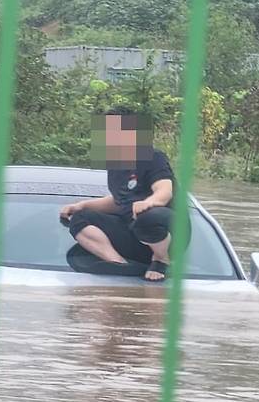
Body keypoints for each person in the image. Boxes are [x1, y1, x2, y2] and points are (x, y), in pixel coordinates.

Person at [60, 107, 177, 282]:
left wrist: (149, 203)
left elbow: (165, 191)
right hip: (134, 235)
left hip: (165, 232)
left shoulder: (152, 156)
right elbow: (119, 202)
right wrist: (82, 205)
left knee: (147, 217)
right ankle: (120, 264)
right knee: (80, 218)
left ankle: (161, 259)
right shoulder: (116, 164)